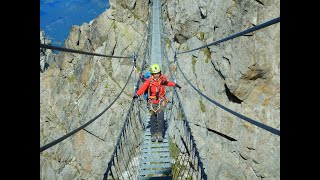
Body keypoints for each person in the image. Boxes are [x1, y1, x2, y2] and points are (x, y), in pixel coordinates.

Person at [133, 63, 181, 142]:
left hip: (161, 101)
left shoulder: (162, 79)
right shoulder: (149, 81)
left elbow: (167, 83)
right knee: (153, 118)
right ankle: (153, 134)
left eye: (158, 73)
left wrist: (175, 84)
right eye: (155, 74)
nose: (157, 75)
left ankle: (160, 134)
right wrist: (137, 94)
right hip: (151, 102)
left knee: (161, 117)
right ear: (152, 74)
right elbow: (143, 87)